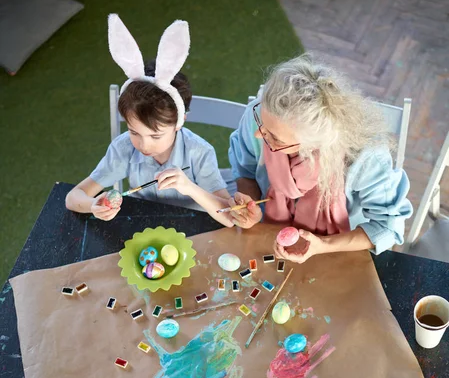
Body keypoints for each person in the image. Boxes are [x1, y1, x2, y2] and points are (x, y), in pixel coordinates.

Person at [228, 54, 413, 263]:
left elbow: (388, 227)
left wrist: (322, 245)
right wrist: (249, 204)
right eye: (261, 121)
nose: (258, 135)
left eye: (276, 139)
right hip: (267, 232)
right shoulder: (266, 114)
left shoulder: (366, 157)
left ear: (311, 146)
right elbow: (244, 170)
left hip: (339, 245)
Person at [66, 15, 233, 227]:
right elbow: (73, 197)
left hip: (195, 229)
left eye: (156, 135)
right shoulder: (124, 148)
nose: (144, 145)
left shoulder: (199, 153)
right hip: (142, 227)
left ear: (180, 121)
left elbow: (228, 216)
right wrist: (93, 205)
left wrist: (189, 187)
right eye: (134, 132)